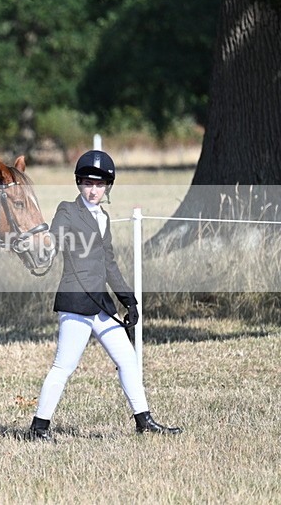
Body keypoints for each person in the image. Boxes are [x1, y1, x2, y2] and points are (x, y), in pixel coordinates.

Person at [29, 150, 181, 440]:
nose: (93, 190)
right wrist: (50, 243)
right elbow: (56, 236)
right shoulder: (67, 210)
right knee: (63, 367)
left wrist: (128, 299)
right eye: (88, 183)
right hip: (76, 302)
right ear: (79, 184)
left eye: (99, 184)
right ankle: (39, 428)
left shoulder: (104, 218)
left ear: (107, 186)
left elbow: (109, 263)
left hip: (100, 304)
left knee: (127, 359)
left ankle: (143, 420)